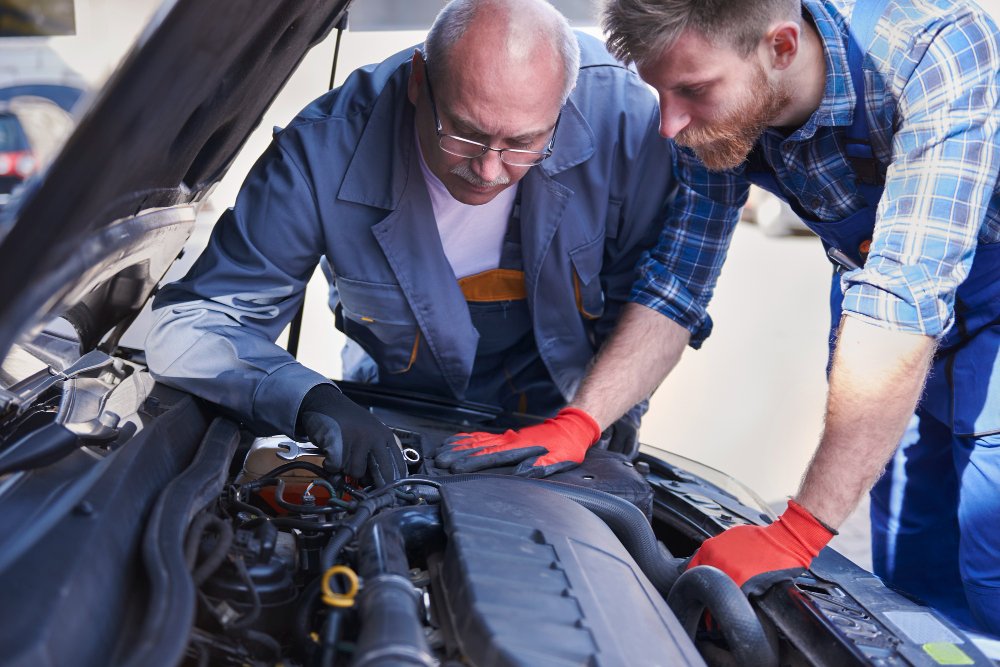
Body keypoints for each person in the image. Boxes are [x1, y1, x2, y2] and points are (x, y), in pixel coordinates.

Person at [450, 0, 1000, 634]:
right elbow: (679, 281)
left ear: (782, 49)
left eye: (693, 90)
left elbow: (901, 302)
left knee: (990, 569)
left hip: (928, 301)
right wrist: (580, 420)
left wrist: (799, 531)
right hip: (881, 294)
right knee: (915, 571)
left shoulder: (935, 54)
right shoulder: (713, 114)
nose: (668, 122)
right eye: (659, 91)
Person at [145, 0, 673, 487]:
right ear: (419, 80)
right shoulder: (322, 154)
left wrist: (607, 421)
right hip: (394, 418)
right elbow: (193, 322)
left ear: (564, 102)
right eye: (464, 132)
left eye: (523, 143)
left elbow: (660, 296)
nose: (489, 171)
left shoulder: (625, 122)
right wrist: (309, 399)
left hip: (561, 429)